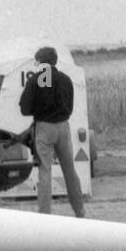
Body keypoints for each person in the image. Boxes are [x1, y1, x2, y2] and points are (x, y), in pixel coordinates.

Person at [19, 46, 84, 217]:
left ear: (40, 62)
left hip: (44, 129)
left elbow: (24, 109)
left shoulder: (37, 80)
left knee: (45, 172)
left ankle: (45, 216)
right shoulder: (66, 79)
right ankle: (80, 211)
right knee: (70, 171)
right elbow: (69, 107)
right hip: (63, 127)